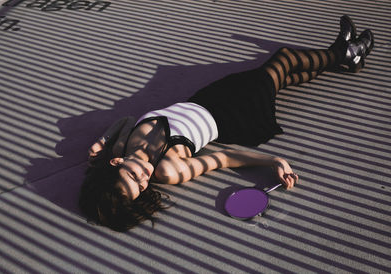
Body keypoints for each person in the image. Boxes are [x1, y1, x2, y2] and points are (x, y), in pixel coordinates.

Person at [79, 15, 374, 232]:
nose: (144, 181)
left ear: (116, 162)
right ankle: (344, 52)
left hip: (203, 98)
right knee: (282, 62)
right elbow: (223, 157)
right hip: (233, 113)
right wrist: (274, 160)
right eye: (141, 188)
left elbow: (127, 119)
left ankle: (345, 57)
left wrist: (103, 140)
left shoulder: (122, 144)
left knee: (283, 77)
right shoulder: (169, 170)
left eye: (133, 178)